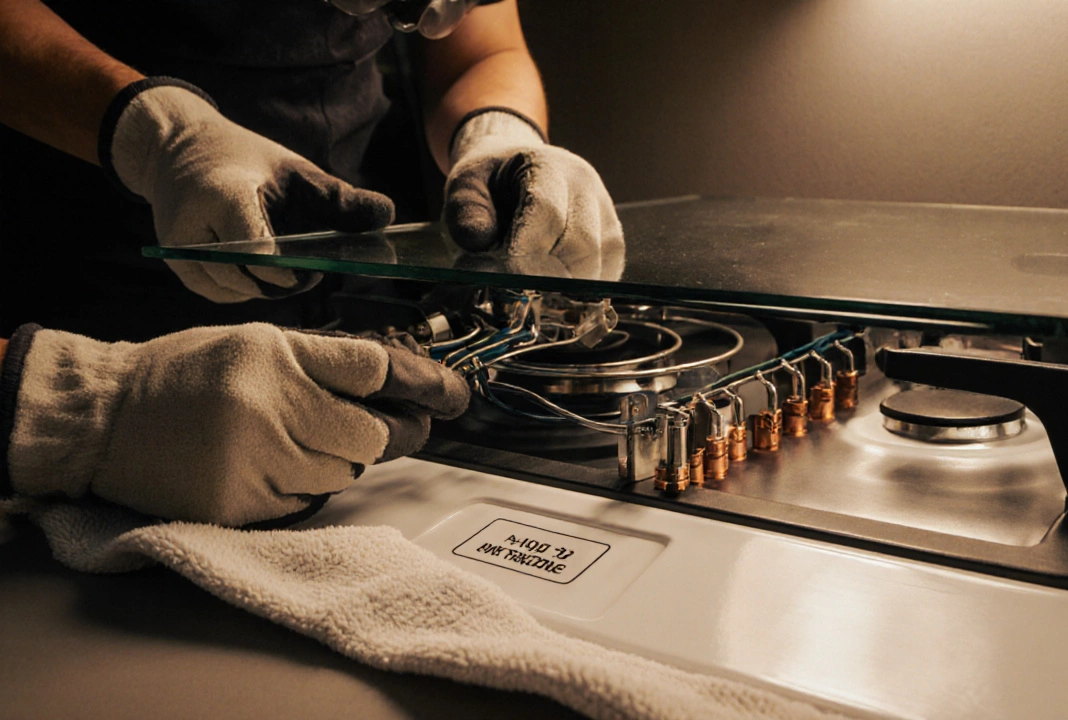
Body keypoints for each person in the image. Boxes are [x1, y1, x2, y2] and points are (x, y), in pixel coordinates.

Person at [0, 0, 623, 525]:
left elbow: (481, 51)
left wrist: (496, 133)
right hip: (79, 293)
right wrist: (87, 409)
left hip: (342, 284)